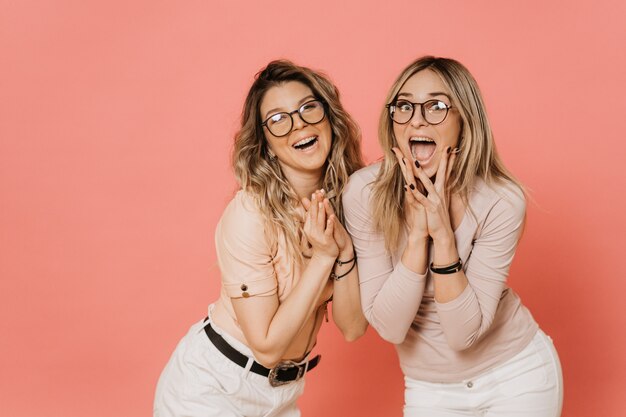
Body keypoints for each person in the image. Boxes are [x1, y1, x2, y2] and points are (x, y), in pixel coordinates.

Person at [343, 56, 563, 417]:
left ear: (465, 121)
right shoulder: (364, 194)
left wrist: (443, 237)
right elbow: (391, 326)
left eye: (437, 106)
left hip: (517, 374)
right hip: (431, 389)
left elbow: (463, 334)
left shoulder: (500, 200)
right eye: (404, 106)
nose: (417, 118)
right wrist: (417, 236)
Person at [154, 60, 367, 417]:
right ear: (266, 143)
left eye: (308, 108)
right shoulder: (250, 215)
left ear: (330, 120)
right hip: (213, 388)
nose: (298, 123)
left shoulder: (350, 204)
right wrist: (324, 257)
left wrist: (344, 252)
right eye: (278, 119)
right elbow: (267, 347)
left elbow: (353, 328)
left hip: (281, 396)